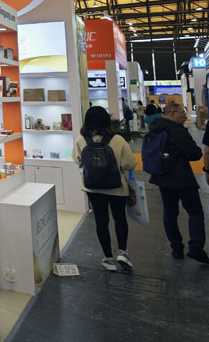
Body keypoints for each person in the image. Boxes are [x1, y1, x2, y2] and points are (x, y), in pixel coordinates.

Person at [72, 106, 137, 271]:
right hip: (116, 187)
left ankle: (108, 258)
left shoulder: (81, 139)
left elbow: (77, 159)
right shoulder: (117, 140)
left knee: (101, 221)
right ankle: (122, 252)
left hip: (92, 187)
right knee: (119, 218)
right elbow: (130, 163)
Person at [146, 103, 209, 263]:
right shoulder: (176, 131)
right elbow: (195, 153)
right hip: (182, 178)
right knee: (195, 211)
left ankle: (176, 248)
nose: (184, 116)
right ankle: (196, 247)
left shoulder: (155, 128)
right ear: (172, 113)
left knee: (170, 213)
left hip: (162, 177)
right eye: (182, 113)